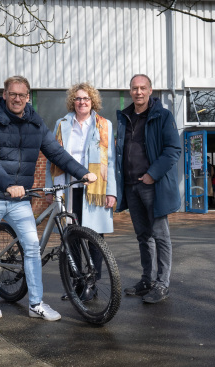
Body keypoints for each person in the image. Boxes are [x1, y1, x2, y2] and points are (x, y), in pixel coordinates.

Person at [0, 76, 97, 321]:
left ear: (28, 97)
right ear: (5, 95)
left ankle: (36, 304)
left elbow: (56, 152)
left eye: (22, 95)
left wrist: (82, 172)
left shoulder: (35, 122)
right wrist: (8, 184)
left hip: (21, 199)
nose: (17, 99)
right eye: (13, 94)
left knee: (32, 248)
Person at [45, 82, 116, 302]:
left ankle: (92, 283)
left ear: (92, 101)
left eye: (86, 98)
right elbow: (53, 158)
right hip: (68, 188)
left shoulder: (104, 125)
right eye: (77, 98)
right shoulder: (62, 123)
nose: (81, 102)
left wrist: (111, 191)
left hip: (95, 189)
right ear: (72, 102)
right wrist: (50, 187)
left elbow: (111, 161)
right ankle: (77, 281)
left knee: (95, 237)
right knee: (72, 237)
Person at [115, 74, 181, 304]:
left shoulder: (162, 115)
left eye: (143, 88)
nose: (138, 92)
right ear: (130, 90)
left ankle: (162, 284)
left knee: (160, 236)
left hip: (151, 186)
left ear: (151, 90)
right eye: (134, 88)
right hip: (131, 185)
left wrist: (152, 175)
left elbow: (173, 149)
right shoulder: (125, 117)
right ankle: (147, 280)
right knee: (143, 236)